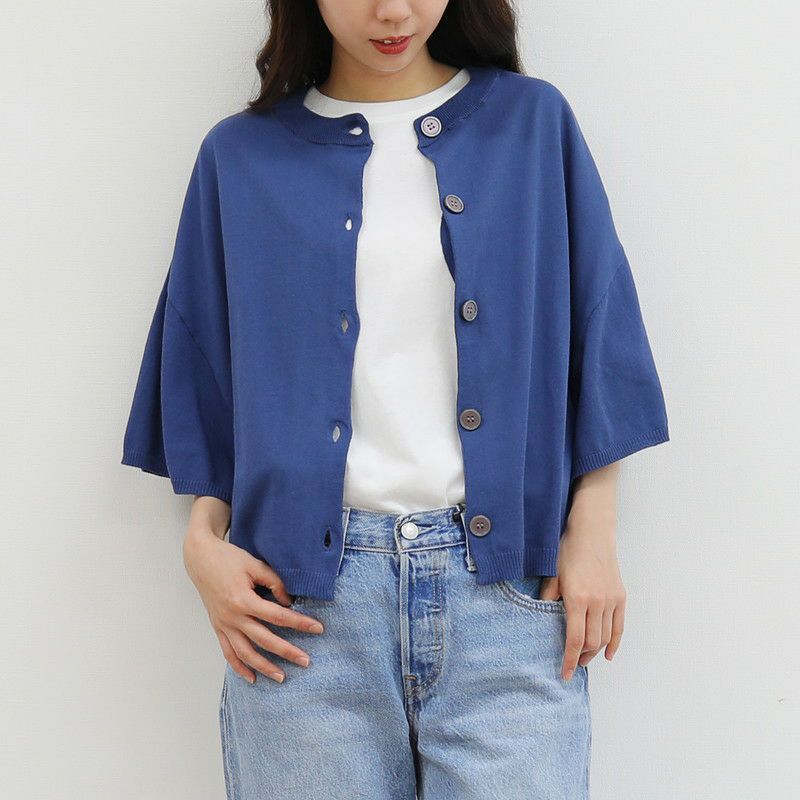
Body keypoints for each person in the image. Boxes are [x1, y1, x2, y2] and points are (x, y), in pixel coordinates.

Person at [120, 1, 670, 797]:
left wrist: (595, 527)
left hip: (508, 603)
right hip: (301, 617)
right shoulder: (239, 158)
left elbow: (600, 324)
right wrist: (202, 544)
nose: (393, 11)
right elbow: (202, 375)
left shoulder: (532, 125)